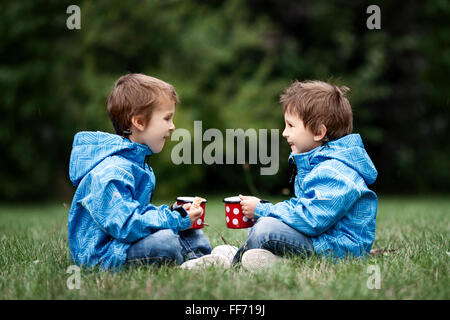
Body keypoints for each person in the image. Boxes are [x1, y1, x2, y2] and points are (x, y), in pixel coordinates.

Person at [68, 73, 215, 270]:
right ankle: (192, 262)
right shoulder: (111, 172)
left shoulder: (135, 164)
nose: (172, 127)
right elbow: (127, 225)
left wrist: (174, 213)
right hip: (104, 255)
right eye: (167, 118)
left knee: (188, 229)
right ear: (139, 122)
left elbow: (137, 213)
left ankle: (207, 260)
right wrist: (175, 219)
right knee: (166, 241)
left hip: (123, 243)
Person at [236, 80, 378, 271]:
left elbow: (311, 219)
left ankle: (234, 264)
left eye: (291, 125)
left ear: (319, 132)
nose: (285, 133)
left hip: (338, 251)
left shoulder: (335, 172)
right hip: (322, 241)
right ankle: (271, 261)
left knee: (266, 229)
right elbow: (304, 208)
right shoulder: (319, 164)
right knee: (267, 223)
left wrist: (263, 209)